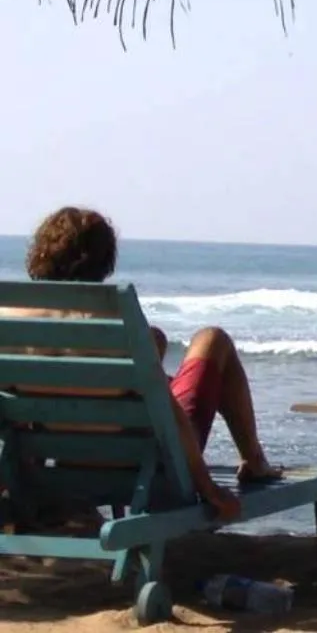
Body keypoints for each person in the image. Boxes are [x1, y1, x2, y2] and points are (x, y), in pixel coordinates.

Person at [4, 207, 280, 519]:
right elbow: (173, 420)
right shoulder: (118, 326)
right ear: (105, 261)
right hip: (147, 470)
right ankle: (255, 462)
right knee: (212, 339)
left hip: (61, 467)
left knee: (156, 342)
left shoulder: (8, 322)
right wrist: (208, 488)